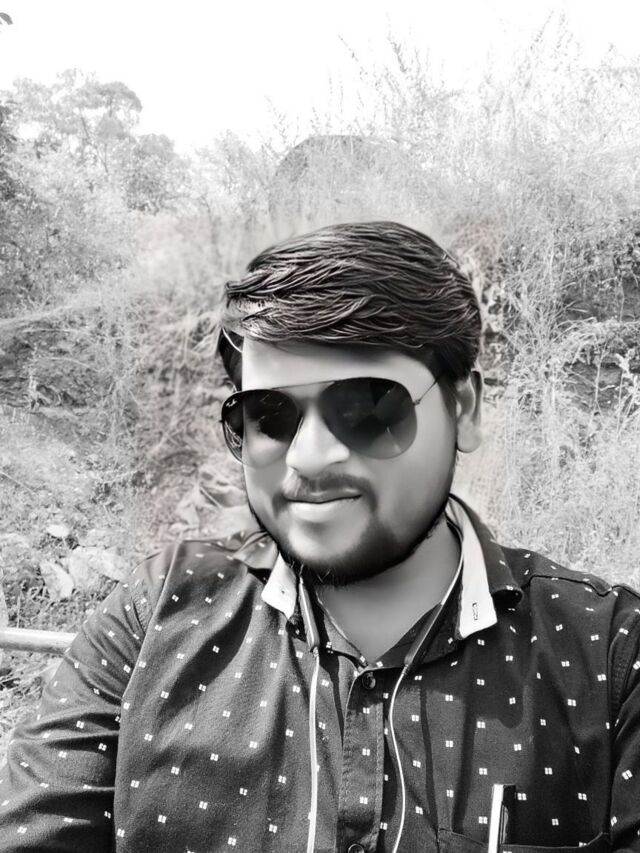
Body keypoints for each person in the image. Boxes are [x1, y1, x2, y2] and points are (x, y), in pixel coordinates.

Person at [1, 221, 639, 853]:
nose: (308, 457)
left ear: (464, 409)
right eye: (269, 414)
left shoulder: (610, 656)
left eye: (367, 408)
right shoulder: (154, 615)